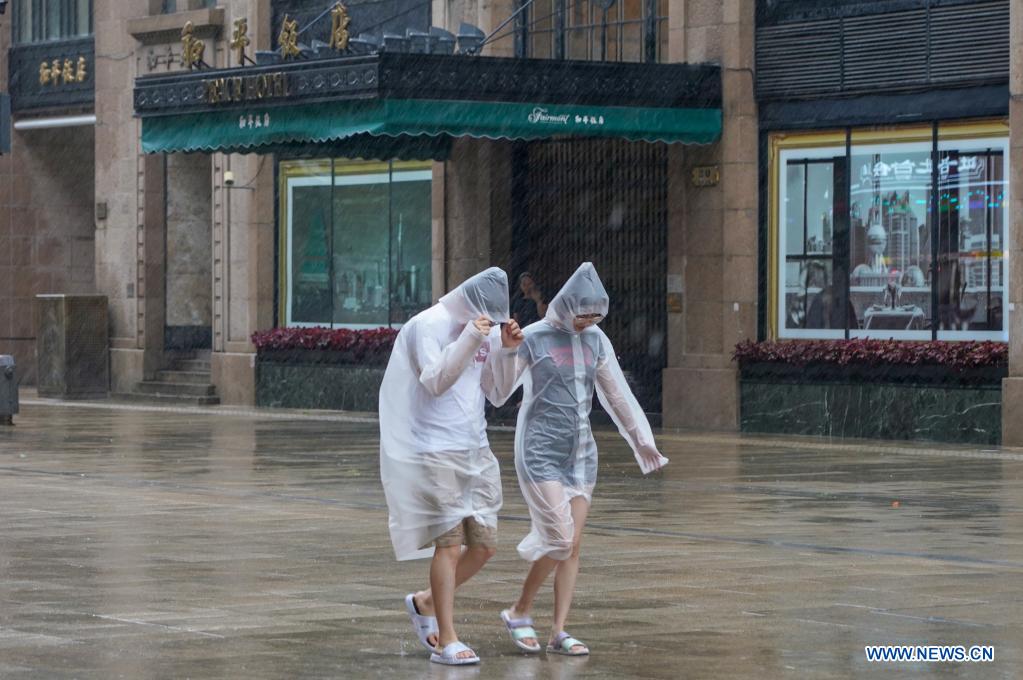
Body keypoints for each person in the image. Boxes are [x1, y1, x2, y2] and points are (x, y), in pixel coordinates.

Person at [482, 262, 668, 656]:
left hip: (581, 455)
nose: (586, 324)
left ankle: (558, 630)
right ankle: (519, 610)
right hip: (538, 451)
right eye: (582, 316)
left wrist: (642, 442)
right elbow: (497, 391)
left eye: (594, 318)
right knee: (560, 539)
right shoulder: (533, 337)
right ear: (566, 306)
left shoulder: (596, 340)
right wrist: (505, 350)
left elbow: (616, 394)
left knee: (573, 545)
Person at [378, 267, 524, 666]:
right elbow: (435, 381)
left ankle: (426, 601)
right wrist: (472, 337)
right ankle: (447, 639)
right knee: (450, 544)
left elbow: (496, 392)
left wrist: (508, 349)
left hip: (474, 448)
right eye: (487, 316)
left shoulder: (487, 329)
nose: (490, 322)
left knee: (485, 546)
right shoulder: (427, 325)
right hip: (433, 448)